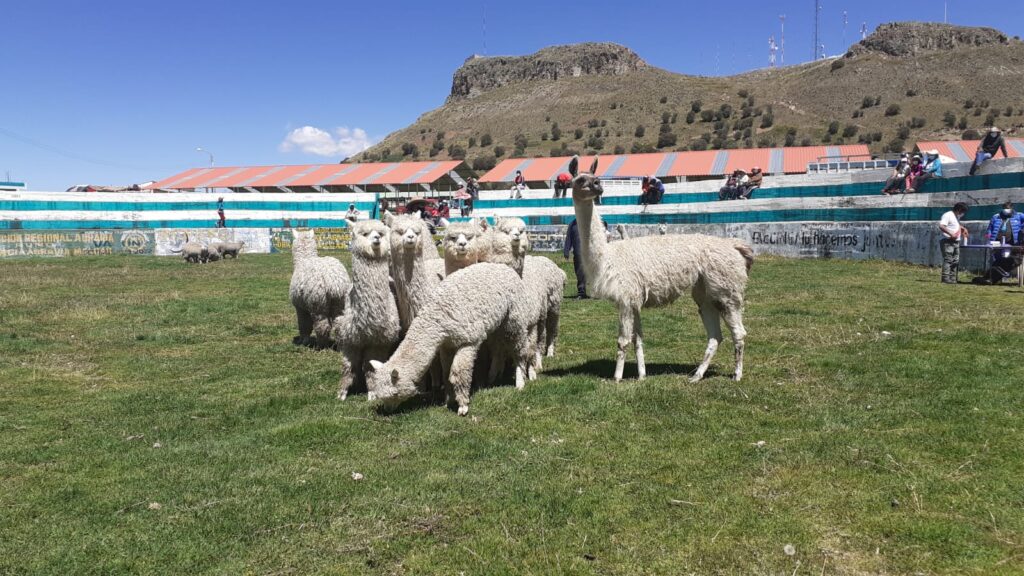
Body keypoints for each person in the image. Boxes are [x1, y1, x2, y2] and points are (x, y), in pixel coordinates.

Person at [982, 202, 1023, 284]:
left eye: (1008, 209)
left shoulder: (1019, 216)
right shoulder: (996, 217)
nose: (1006, 210)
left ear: (1012, 208)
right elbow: (990, 229)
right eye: (1005, 209)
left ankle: (1004, 276)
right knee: (997, 260)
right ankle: (994, 277)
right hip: (997, 242)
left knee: (1008, 260)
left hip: (1012, 243)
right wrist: (988, 238)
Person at [938, 202, 969, 284]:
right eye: (963, 211)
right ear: (959, 209)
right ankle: (945, 278)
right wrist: (951, 234)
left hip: (956, 241)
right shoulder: (948, 215)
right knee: (948, 259)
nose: (963, 213)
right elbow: (942, 226)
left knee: (955, 260)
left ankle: (953, 278)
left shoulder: (956, 217)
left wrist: (963, 228)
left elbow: (955, 225)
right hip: (948, 241)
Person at [563, 219, 588, 299]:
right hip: (578, 253)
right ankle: (581, 292)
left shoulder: (590, 222)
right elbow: (569, 237)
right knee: (580, 273)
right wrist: (566, 250)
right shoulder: (573, 224)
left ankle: (600, 292)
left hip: (591, 253)